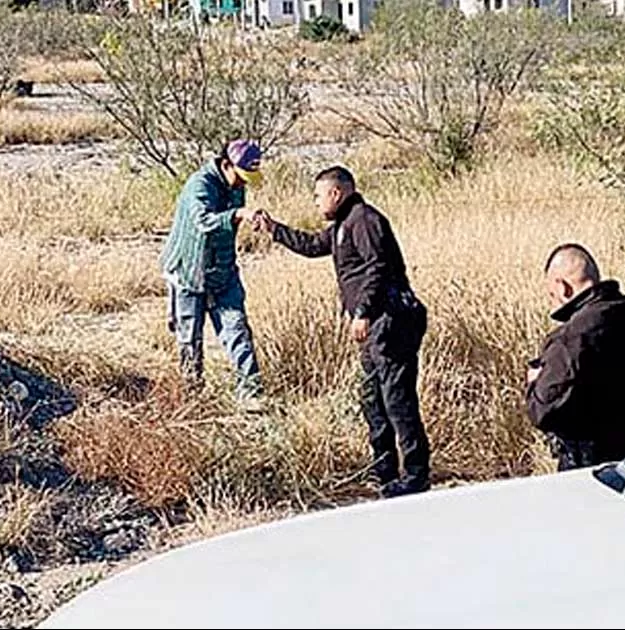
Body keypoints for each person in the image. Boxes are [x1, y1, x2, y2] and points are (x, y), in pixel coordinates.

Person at [253, 166, 431, 498]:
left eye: (318, 195)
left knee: (397, 400)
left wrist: (363, 311)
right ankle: (385, 471)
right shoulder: (341, 225)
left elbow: (379, 267)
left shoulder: (364, 220)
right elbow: (310, 245)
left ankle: (416, 475)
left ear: (337, 193)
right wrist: (273, 229)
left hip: (391, 322)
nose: (316, 201)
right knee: (372, 400)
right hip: (375, 329)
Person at [526, 243, 625, 471]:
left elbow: (543, 412)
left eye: (551, 294)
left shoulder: (569, 338)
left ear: (563, 287)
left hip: (590, 470)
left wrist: (535, 381)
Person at [159, 139, 265, 410]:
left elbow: (229, 226)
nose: (243, 185)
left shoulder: (237, 186)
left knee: (237, 330)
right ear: (227, 164)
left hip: (223, 272)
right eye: (241, 177)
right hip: (188, 272)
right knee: (189, 339)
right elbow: (204, 222)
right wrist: (238, 214)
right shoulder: (200, 185)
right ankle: (192, 397)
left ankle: (250, 394)